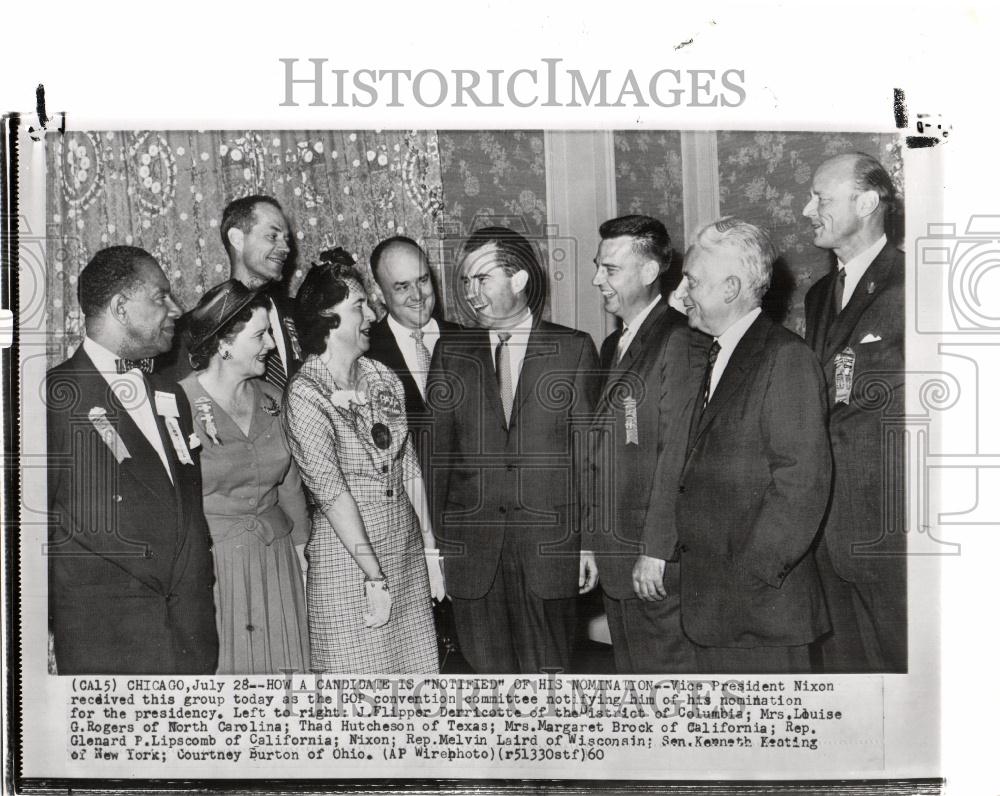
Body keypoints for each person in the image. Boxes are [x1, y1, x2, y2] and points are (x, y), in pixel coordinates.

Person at [654, 218, 832, 673]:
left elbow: (801, 483)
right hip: (714, 609)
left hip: (759, 613)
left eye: (692, 280)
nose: (681, 293)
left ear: (731, 287)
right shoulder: (715, 352)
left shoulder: (784, 357)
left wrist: (746, 577)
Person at [427, 227, 601, 674]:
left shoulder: (573, 349)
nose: (471, 294)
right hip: (474, 557)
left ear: (520, 280)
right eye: (465, 282)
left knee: (550, 685)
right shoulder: (451, 351)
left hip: (548, 552)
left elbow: (590, 458)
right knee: (488, 688)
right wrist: (441, 545)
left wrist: (587, 546)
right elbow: (437, 457)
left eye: (481, 279)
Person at [47, 246, 217, 674]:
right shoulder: (52, 397)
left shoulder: (171, 395)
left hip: (188, 641)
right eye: (161, 297)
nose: (177, 309)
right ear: (121, 307)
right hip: (109, 648)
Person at [282, 250, 441, 673]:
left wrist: (430, 549)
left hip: (404, 553)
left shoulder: (381, 376)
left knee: (415, 685)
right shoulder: (305, 393)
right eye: (359, 307)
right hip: (350, 563)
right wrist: (373, 576)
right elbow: (331, 495)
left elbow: (407, 464)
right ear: (329, 320)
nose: (371, 314)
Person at [802, 152, 906, 672]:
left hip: (888, 530)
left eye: (820, 197)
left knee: (903, 667)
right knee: (849, 675)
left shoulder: (911, 285)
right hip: (827, 528)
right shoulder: (820, 294)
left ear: (866, 203)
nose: (806, 209)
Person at [586, 215, 702, 673]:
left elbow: (677, 456)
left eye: (610, 269)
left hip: (653, 564)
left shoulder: (680, 339)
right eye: (599, 267)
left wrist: (656, 550)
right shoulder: (614, 342)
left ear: (650, 272)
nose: (598, 279)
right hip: (618, 560)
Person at [178, 280, 310, 674]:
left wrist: (304, 550)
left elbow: (289, 482)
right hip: (216, 566)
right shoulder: (177, 403)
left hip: (277, 558)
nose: (271, 344)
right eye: (260, 334)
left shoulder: (273, 397)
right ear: (224, 345)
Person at [159, 195, 302, 387]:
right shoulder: (190, 332)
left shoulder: (302, 313)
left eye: (286, 239)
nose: (285, 248)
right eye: (272, 236)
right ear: (237, 239)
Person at [367, 236, 462, 466]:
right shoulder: (366, 354)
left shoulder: (468, 341)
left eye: (422, 280)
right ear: (379, 293)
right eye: (402, 286)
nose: (418, 295)